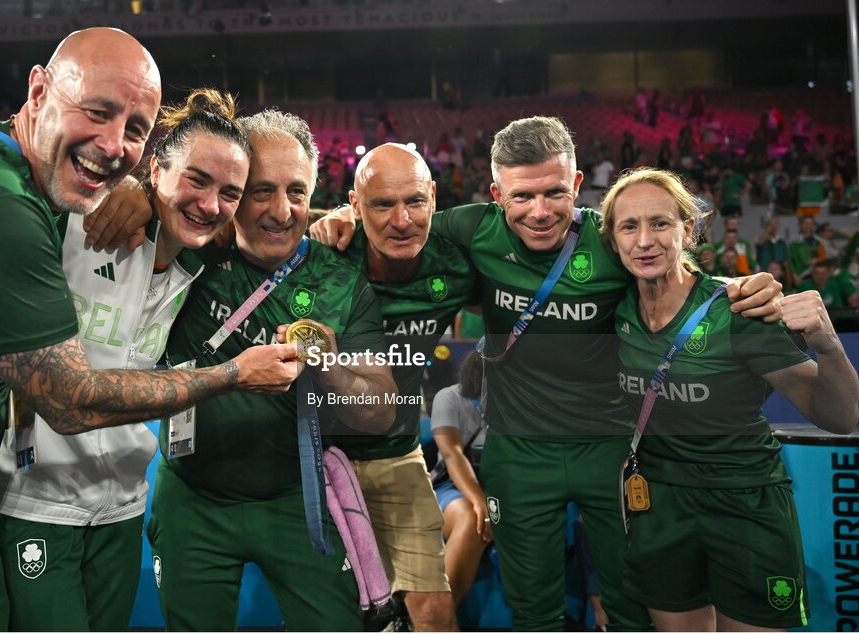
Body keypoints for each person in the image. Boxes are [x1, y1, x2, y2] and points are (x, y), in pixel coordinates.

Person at [0, 29, 299, 631]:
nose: (113, 144)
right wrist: (234, 375)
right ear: (38, 90)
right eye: (98, 112)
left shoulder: (92, 205)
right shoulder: (16, 208)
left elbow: (273, 221)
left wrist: (340, 216)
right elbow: (71, 402)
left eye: (134, 127)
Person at [309, 116, 783, 631]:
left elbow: (676, 272)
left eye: (554, 192)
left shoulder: (610, 241)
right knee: (534, 610)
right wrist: (338, 215)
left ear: (577, 186)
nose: (539, 212)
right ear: (496, 194)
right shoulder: (470, 229)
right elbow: (390, 216)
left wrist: (741, 287)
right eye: (521, 196)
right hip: (518, 453)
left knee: (630, 603)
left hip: (609, 449)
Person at [0, 88, 251, 631]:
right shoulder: (79, 222)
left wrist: (335, 217)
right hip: (31, 501)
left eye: (230, 193)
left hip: (123, 509)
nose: (210, 204)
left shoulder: (200, 267)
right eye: (196, 180)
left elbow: (284, 224)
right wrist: (116, 183)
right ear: (154, 169)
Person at [148, 109, 397, 632]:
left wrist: (328, 366)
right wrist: (133, 199)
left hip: (295, 498)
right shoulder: (190, 248)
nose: (282, 212)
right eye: (260, 191)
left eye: (298, 191)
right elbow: (154, 192)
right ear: (233, 192)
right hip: (192, 500)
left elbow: (380, 413)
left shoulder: (340, 280)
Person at [598, 167, 858, 631]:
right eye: (628, 226)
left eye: (659, 223)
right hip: (660, 504)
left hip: (745, 505)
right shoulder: (614, 308)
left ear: (688, 228)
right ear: (612, 239)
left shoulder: (737, 309)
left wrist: (827, 342)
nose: (644, 241)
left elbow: (840, 418)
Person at [325, 143, 476, 630]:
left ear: (434, 196)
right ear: (354, 205)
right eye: (382, 204)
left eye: (413, 201)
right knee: (332, 610)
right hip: (318, 460)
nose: (402, 220)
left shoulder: (453, 267)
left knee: (434, 611)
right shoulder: (326, 257)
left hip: (398, 455)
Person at [429, 351, 491, 608]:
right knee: (471, 518)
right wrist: (481, 501)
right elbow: (451, 452)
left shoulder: (523, 402)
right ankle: (435, 618)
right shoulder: (449, 397)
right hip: (450, 486)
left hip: (506, 488)